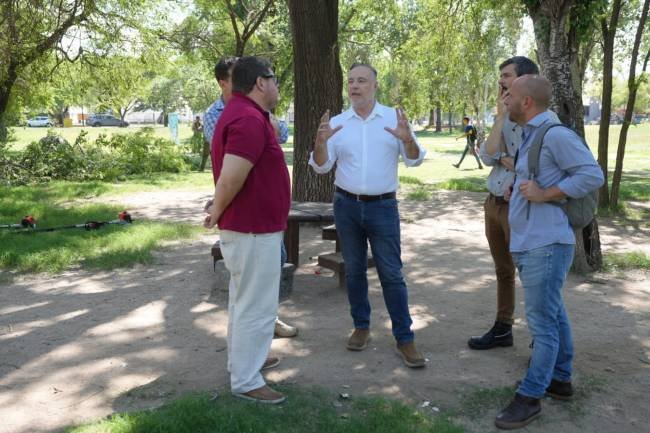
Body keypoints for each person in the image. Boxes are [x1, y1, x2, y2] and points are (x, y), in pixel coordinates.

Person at [494, 75, 603, 429]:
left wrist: (546, 193)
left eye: (509, 94)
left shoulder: (555, 135)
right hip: (532, 241)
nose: (504, 99)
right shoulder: (532, 136)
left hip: (545, 243)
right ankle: (560, 379)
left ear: (526, 102)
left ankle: (531, 395)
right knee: (553, 314)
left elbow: (591, 174)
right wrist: (520, 190)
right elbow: (536, 181)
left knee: (542, 324)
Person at [309, 63, 427, 368]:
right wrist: (320, 143)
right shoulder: (338, 123)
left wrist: (408, 139)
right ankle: (361, 326)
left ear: (375, 86)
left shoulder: (393, 118)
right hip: (346, 206)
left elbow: (414, 161)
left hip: (383, 207)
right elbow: (321, 166)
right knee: (355, 270)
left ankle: (405, 337)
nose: (355, 86)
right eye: (351, 81)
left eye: (362, 81)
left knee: (391, 273)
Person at [204, 56, 290, 404]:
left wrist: (218, 208)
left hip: (253, 228)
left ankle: (247, 361)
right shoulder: (248, 119)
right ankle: (246, 380)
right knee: (256, 306)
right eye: (274, 79)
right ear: (260, 83)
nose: (277, 86)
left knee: (244, 302)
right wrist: (217, 209)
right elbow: (232, 176)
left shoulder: (243, 114)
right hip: (253, 230)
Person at [468, 56, 555, 350]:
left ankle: (541, 339)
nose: (500, 81)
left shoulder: (543, 120)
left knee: (530, 274)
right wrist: (501, 118)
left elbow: (530, 164)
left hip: (522, 207)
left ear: (525, 81)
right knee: (503, 271)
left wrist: (509, 159)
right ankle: (503, 328)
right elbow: (488, 154)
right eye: (500, 75)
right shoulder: (505, 116)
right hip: (494, 203)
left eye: (506, 75)